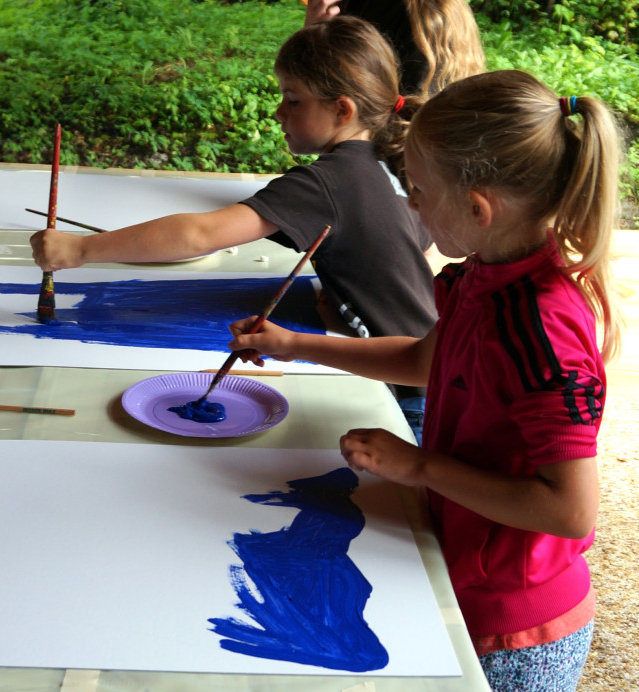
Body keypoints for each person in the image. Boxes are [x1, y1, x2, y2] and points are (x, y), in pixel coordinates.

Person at [227, 69, 623, 691]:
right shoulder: (482, 277)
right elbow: (426, 361)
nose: (410, 205)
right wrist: (295, 345)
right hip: (463, 570)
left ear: (476, 207)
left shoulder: (539, 329)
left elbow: (570, 510)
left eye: (417, 190)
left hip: (516, 633)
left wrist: (417, 467)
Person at [31, 16, 437, 402]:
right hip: (433, 367)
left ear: (342, 110)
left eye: (293, 100)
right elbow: (413, 254)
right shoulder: (392, 159)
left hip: (409, 396)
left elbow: (201, 235)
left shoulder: (329, 183)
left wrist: (80, 250)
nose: (280, 112)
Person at [303, 0, 485, 97]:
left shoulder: (384, 9)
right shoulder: (444, 9)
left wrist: (312, 39)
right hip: (429, 144)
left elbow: (330, 90)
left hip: (392, 145)